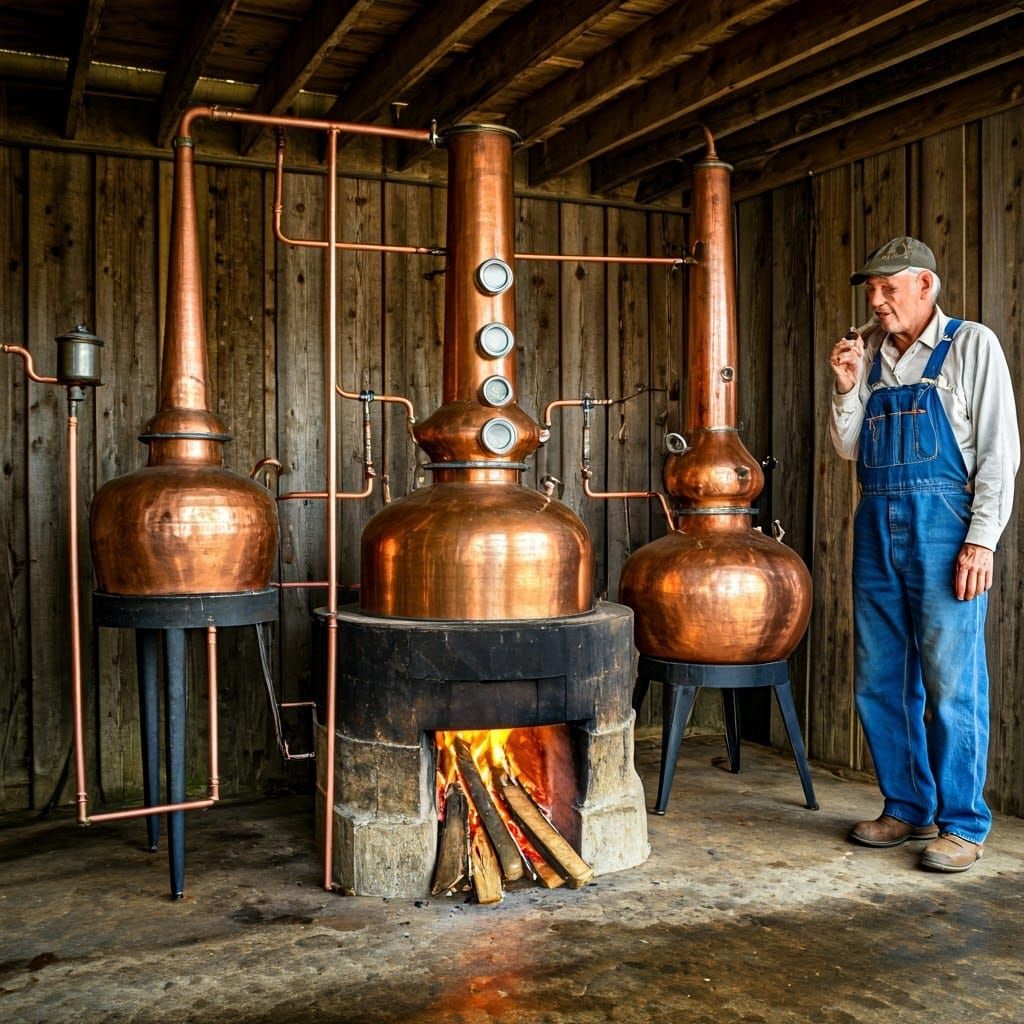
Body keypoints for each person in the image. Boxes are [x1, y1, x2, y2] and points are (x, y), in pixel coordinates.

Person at [829, 235, 1019, 873]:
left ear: (925, 287)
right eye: (872, 291)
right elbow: (851, 449)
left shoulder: (971, 345)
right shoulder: (873, 356)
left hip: (945, 526)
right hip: (877, 521)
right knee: (880, 675)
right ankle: (905, 806)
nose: (877, 302)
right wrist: (846, 387)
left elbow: (1000, 453)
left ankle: (962, 823)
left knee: (951, 680)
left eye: (888, 289)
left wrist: (981, 540)